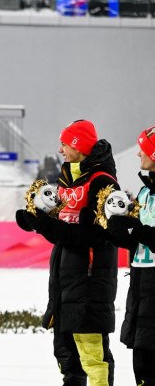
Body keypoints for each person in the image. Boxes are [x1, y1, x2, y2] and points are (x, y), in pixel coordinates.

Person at [16, 119, 118, 386]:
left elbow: (95, 237)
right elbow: (61, 226)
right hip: (65, 285)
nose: (60, 149)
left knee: (93, 360)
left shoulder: (103, 183)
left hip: (89, 286)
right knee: (67, 359)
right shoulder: (67, 180)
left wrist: (48, 225)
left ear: (78, 145)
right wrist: (34, 219)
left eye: (64, 144)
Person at [106, 126, 155, 386]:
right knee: (141, 369)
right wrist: (116, 230)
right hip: (139, 286)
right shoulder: (146, 192)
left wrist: (140, 230)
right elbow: (138, 241)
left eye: (144, 149)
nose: (138, 154)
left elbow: (147, 234)